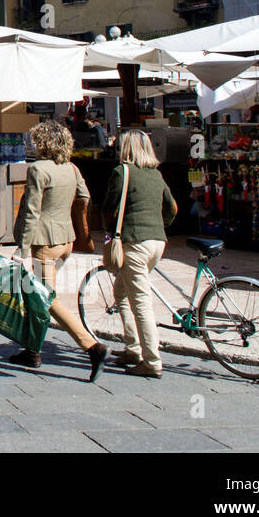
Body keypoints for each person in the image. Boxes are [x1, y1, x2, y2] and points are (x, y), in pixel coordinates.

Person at [10, 120, 107, 380]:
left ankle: (92, 347)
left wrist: (23, 249)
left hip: (44, 243)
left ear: (42, 143)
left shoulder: (38, 169)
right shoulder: (72, 168)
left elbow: (32, 213)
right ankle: (32, 350)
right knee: (35, 295)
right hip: (66, 240)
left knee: (45, 297)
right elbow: (84, 197)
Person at [102, 129, 178, 379]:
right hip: (157, 242)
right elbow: (172, 207)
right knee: (121, 292)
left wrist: (110, 232)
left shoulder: (121, 172)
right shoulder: (156, 175)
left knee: (141, 303)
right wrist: (159, 225)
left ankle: (152, 361)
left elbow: (109, 207)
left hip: (134, 241)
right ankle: (133, 347)